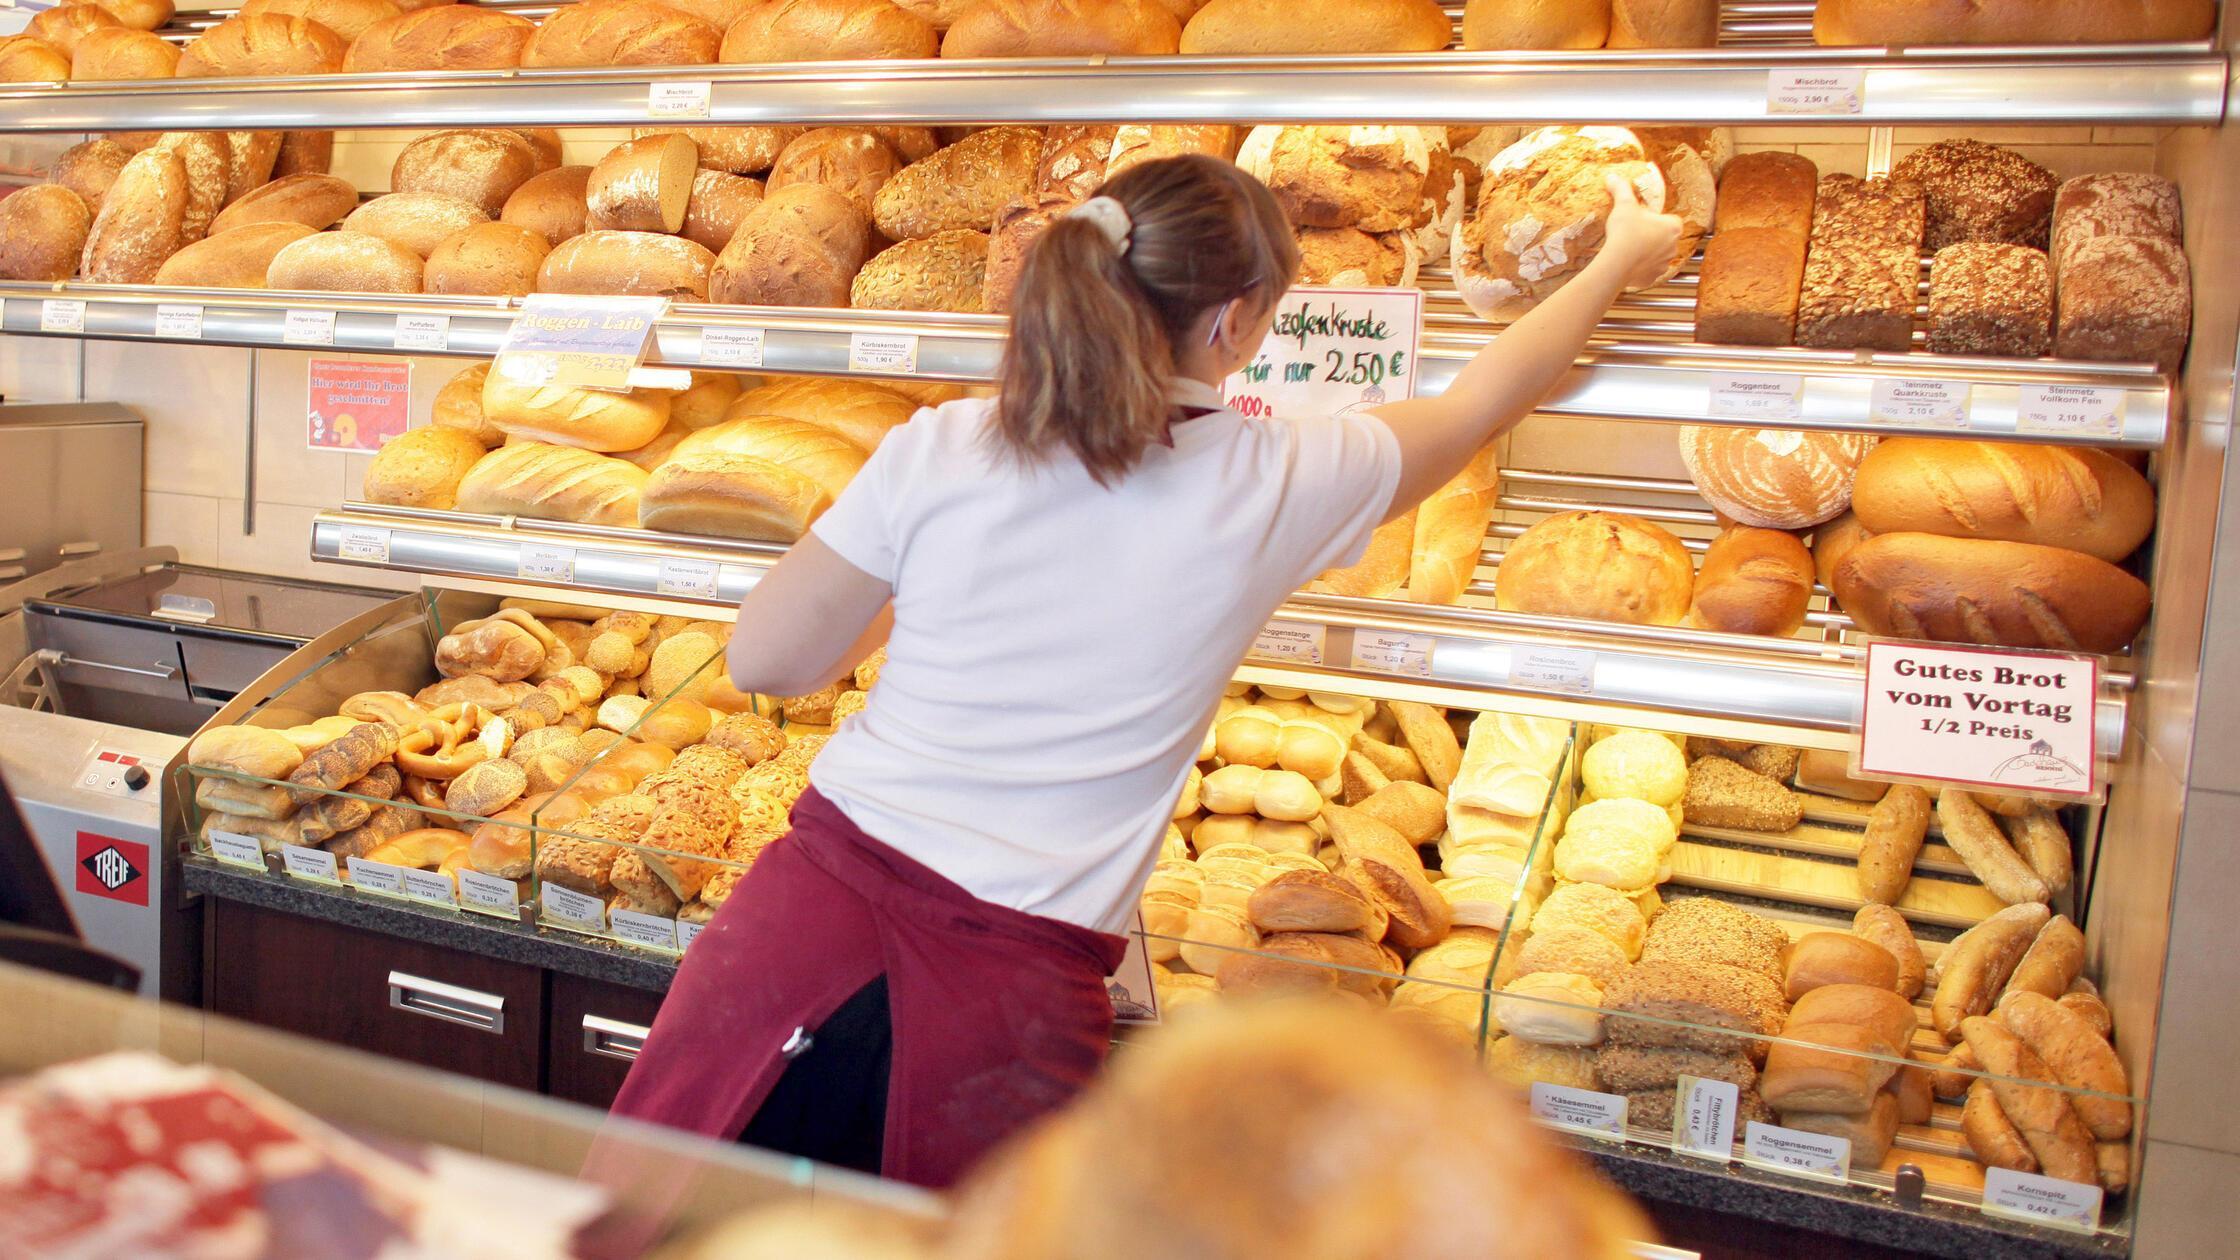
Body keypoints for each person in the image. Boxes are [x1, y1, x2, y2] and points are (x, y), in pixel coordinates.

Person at [608, 154, 1681, 1187]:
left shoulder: (943, 444)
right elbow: (1482, 398)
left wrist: (929, 599)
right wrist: (1613, 260)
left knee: (670, 1225)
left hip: (798, 924)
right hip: (1004, 988)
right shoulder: (1277, 477)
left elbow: (768, 657)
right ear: (1231, 319)